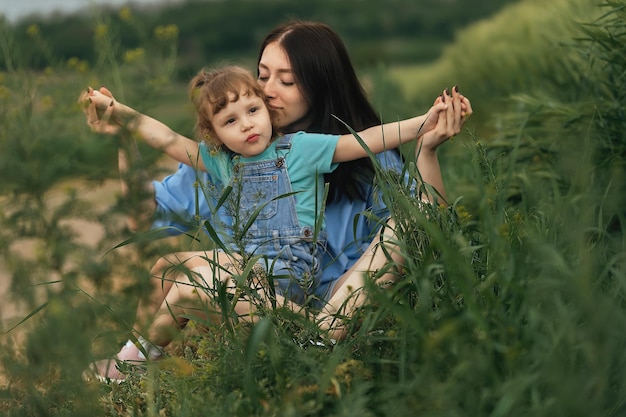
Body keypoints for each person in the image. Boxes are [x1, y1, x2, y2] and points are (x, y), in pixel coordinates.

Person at [81, 20, 472, 383]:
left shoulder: (337, 154)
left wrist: (428, 145)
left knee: (402, 220)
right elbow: (141, 211)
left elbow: (426, 226)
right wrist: (122, 131)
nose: (268, 91)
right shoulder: (227, 160)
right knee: (167, 268)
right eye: (262, 76)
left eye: (286, 80)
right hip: (259, 294)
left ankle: (319, 335)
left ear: (320, 86)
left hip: (339, 305)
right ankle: (133, 371)